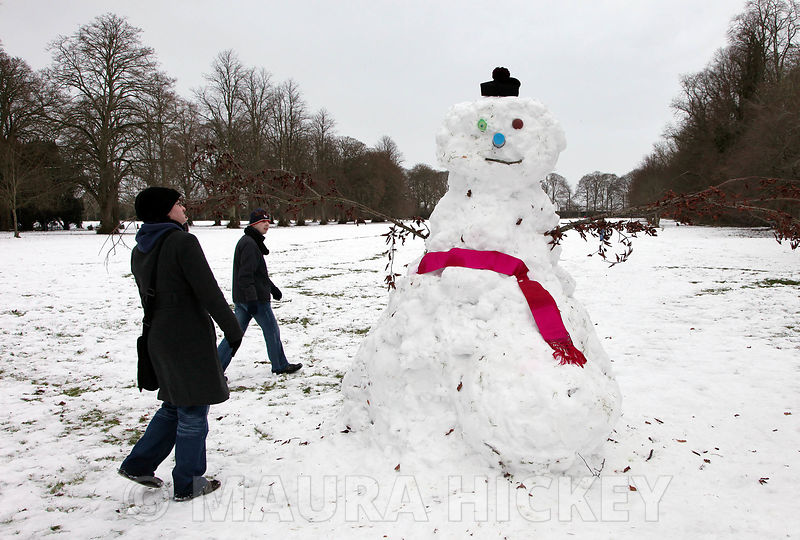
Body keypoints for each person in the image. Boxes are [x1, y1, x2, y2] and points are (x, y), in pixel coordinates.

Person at [118, 186, 244, 502]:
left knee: (175, 403)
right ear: (165, 210)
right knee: (193, 408)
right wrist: (233, 329)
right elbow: (208, 290)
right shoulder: (182, 243)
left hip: (158, 336)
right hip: (187, 338)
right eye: (178, 203)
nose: (184, 208)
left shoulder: (140, 248)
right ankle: (189, 482)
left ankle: (139, 463)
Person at [217, 208, 302, 375]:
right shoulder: (249, 244)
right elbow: (245, 276)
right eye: (262, 221)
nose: (266, 224)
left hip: (243, 298)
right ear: (253, 224)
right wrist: (252, 300)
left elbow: (258, 274)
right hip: (254, 299)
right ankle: (280, 365)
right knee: (272, 331)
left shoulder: (251, 241)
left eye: (268, 221)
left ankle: (216, 369)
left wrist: (272, 288)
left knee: (234, 335)